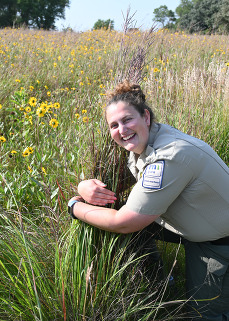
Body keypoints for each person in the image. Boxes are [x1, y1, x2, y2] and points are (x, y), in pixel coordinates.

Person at [68, 80, 229, 320]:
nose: (121, 130)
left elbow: (126, 222)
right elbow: (115, 189)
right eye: (114, 125)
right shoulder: (150, 141)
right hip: (197, 225)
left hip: (217, 242)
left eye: (127, 120)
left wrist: (74, 206)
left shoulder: (170, 156)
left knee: (203, 314)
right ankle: (159, 284)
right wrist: (84, 186)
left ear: (146, 116)